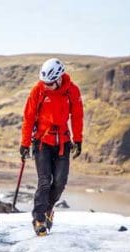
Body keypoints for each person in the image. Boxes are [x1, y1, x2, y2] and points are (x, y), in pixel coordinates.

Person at [20, 58, 84, 236]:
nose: (46, 85)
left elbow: (77, 116)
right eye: (44, 82)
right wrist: (25, 143)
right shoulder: (38, 91)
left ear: (58, 79)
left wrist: (78, 140)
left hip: (63, 142)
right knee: (44, 182)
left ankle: (48, 209)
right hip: (42, 141)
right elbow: (29, 118)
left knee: (60, 182)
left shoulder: (72, 90)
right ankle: (39, 218)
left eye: (49, 83)